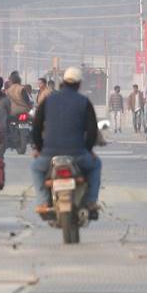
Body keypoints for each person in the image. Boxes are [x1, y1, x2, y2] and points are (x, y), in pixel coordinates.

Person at [31, 67, 102, 216]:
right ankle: (90, 201)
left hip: (50, 154)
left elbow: (36, 127)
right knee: (96, 165)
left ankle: (43, 201)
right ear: (79, 84)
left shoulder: (48, 100)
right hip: (78, 154)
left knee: (35, 168)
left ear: (63, 82)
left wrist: (39, 149)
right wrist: (88, 150)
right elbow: (92, 131)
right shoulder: (84, 102)